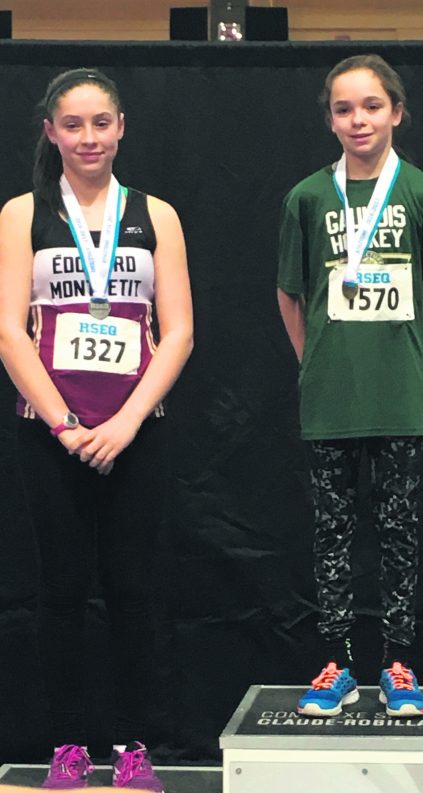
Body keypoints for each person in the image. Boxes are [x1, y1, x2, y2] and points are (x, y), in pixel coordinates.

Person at [0, 69, 193, 790]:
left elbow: (178, 333)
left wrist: (124, 422)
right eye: (73, 125)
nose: (89, 138)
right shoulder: (22, 213)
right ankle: (67, 746)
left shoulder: (157, 216)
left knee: (133, 590)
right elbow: (10, 332)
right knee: (60, 590)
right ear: (50, 132)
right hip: (50, 433)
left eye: (101, 123)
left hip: (135, 433)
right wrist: (65, 423)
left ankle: (135, 745)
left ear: (121, 127)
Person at [277, 54, 423, 719]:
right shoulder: (307, 198)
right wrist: (317, 360)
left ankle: (398, 660)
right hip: (328, 397)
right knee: (332, 534)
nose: (359, 119)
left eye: (372, 106)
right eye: (345, 108)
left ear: (397, 112)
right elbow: (291, 295)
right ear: (330, 119)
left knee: (400, 531)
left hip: (400, 394)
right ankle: (338, 660)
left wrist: (399, 352)